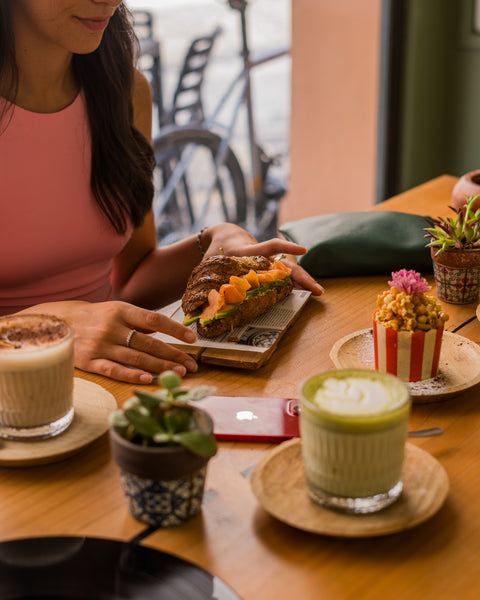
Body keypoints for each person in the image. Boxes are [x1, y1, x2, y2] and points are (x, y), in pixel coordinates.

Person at [0, 0, 324, 385]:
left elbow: (129, 282)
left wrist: (211, 248)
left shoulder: (125, 92)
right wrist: (43, 329)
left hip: (112, 386)